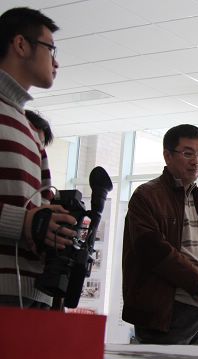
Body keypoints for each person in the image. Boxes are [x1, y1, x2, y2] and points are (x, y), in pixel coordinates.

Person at [122, 124, 198, 345]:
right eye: (188, 153)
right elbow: (153, 249)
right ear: (167, 156)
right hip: (167, 312)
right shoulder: (147, 195)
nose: (196, 161)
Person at [0, 7, 77, 309]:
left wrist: (54, 229)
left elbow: (37, 211)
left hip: (31, 294)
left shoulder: (27, 126)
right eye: (50, 49)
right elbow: (27, 219)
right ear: (20, 44)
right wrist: (25, 222)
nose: (56, 62)